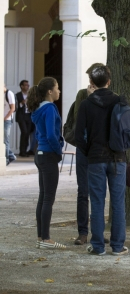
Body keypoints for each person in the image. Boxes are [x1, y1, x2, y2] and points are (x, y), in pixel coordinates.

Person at [75, 64, 127, 256]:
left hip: (95, 158)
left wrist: (89, 151)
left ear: (91, 82)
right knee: (118, 203)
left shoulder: (86, 104)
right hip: (117, 157)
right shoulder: (119, 101)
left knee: (97, 202)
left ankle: (98, 246)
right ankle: (118, 246)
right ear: (109, 81)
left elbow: (79, 135)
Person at [28, 77, 66, 250]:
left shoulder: (39, 109)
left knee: (43, 197)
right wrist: (59, 150)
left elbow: (41, 134)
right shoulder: (50, 108)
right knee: (48, 198)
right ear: (50, 92)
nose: (59, 91)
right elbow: (51, 134)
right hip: (49, 155)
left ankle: (40, 237)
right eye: (57, 88)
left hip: (40, 154)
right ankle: (46, 239)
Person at [72, 63, 103, 246]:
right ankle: (82, 232)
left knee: (98, 192)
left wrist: (95, 99)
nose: (90, 80)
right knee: (83, 192)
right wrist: (89, 99)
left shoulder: (108, 96)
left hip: (99, 150)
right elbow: (79, 121)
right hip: (83, 149)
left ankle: (97, 231)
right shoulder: (82, 95)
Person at [15, 79, 34, 157]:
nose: (27, 87)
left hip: (29, 116)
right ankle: (22, 151)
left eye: (28, 85)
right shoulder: (17, 95)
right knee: (24, 132)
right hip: (21, 116)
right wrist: (22, 103)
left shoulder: (30, 95)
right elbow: (15, 107)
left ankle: (25, 151)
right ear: (22, 86)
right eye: (26, 85)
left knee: (27, 133)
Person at [4, 85, 16, 166]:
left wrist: (5, 118)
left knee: (5, 140)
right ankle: (11, 156)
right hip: (2, 120)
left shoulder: (9, 93)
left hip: (7, 120)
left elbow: (13, 108)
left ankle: (7, 159)